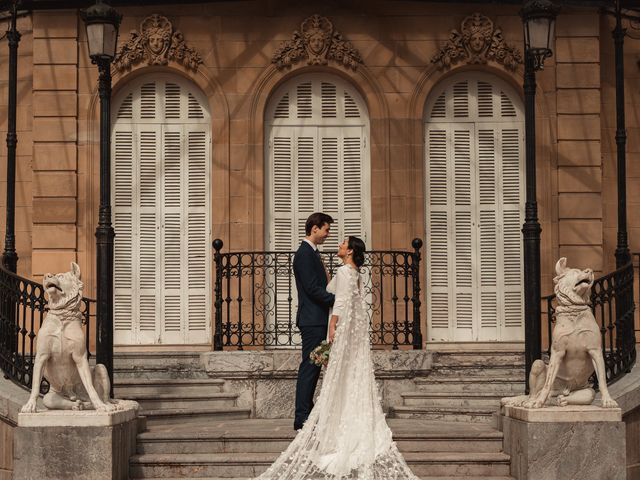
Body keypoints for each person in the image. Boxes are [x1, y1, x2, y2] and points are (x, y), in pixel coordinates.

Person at [257, 236, 419, 480]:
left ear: (351, 251)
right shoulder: (355, 273)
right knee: (349, 376)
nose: (339, 246)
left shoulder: (344, 271)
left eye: (343, 244)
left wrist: (332, 326)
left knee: (335, 376)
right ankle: (347, 421)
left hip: (340, 329)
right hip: (352, 333)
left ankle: (328, 424)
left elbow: (341, 302)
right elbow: (348, 300)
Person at [293, 212, 335, 431]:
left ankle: (306, 413)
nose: (328, 234)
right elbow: (312, 288)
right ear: (315, 228)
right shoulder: (304, 254)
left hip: (317, 319)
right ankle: (301, 417)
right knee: (310, 367)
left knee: (314, 366)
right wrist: (338, 300)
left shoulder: (311, 253)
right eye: (326, 229)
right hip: (312, 320)